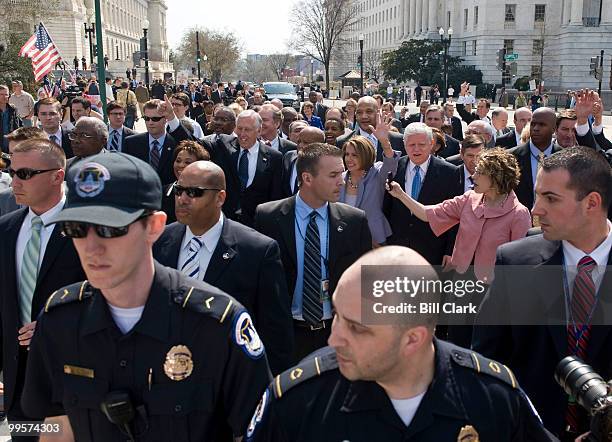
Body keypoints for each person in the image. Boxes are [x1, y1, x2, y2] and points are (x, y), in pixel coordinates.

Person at [22, 152, 272, 441]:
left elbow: (257, 433)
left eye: (109, 229)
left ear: (153, 227)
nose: (91, 248)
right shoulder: (61, 319)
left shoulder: (215, 323)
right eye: (76, 229)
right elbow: (56, 426)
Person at [246, 246, 557, 442]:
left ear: (413, 338)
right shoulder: (300, 401)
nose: (333, 338)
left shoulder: (492, 398)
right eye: (338, 315)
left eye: (357, 328)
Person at [473, 146, 612, 438]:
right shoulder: (514, 260)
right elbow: (487, 359)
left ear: (592, 203)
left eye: (550, 198)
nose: (536, 209)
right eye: (537, 195)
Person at [154, 160, 294, 374]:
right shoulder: (159, 240)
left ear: (220, 198)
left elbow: (275, 332)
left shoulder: (257, 251)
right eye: (179, 190)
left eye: (193, 193)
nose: (182, 199)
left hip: (227, 376)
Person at [255, 143, 371, 362]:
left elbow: (364, 281)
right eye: (334, 175)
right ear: (307, 179)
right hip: (285, 335)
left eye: (342, 173)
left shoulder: (355, 221)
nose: (342, 181)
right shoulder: (268, 217)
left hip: (336, 335)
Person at [0, 138, 84, 441]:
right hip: (20, 384)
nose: (15, 181)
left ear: (57, 176)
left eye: (25, 174)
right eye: (12, 172)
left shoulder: (86, 229)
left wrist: (55, 327)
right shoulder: (6, 229)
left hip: (72, 381)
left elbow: (106, 296)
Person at [385, 123, 463, 266]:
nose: (416, 149)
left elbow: (454, 216)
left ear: (431, 143)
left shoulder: (449, 172)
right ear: (404, 144)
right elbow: (387, 209)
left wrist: (450, 250)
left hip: (432, 249)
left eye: (421, 144)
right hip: (397, 248)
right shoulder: (395, 167)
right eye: (411, 145)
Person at [203, 109, 283, 227]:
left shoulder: (274, 157)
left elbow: (275, 196)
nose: (242, 134)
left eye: (247, 129)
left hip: (256, 225)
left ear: (259, 130)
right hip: (223, 222)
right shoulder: (223, 145)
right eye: (239, 128)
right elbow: (193, 142)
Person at [340, 126, 399, 247]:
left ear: (366, 155)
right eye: (347, 154)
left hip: (374, 241)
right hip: (343, 240)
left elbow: (390, 163)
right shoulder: (340, 178)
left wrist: (384, 142)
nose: (349, 159)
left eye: (355, 155)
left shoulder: (376, 174)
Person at [123, 96, 195, 186]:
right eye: (146, 118)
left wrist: (172, 116)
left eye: (155, 119)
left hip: (168, 197)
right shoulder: (131, 143)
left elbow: (192, 145)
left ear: (165, 119)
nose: (150, 122)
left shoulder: (176, 143)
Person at [509, 107, 562, 212]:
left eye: (542, 125)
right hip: (518, 224)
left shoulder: (565, 158)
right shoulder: (511, 157)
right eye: (533, 124)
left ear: (554, 129)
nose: (536, 128)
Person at [336, 97, 405, 161]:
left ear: (378, 113)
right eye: (359, 112)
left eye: (369, 112)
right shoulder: (343, 142)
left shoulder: (397, 140)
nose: (364, 116)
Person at [161, 140, 210, 224]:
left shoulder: (207, 194)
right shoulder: (161, 192)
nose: (181, 165)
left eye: (187, 162)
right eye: (178, 161)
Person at [281, 127, 325, 198]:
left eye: (306, 142)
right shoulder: (289, 157)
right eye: (299, 141)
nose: (300, 145)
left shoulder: (326, 166)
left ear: (320, 146)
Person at [0, 84, 22, 151]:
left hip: (11, 147)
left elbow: (19, 127)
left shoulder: (13, 109)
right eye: (1, 94)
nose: (4, 97)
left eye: (6, 94)